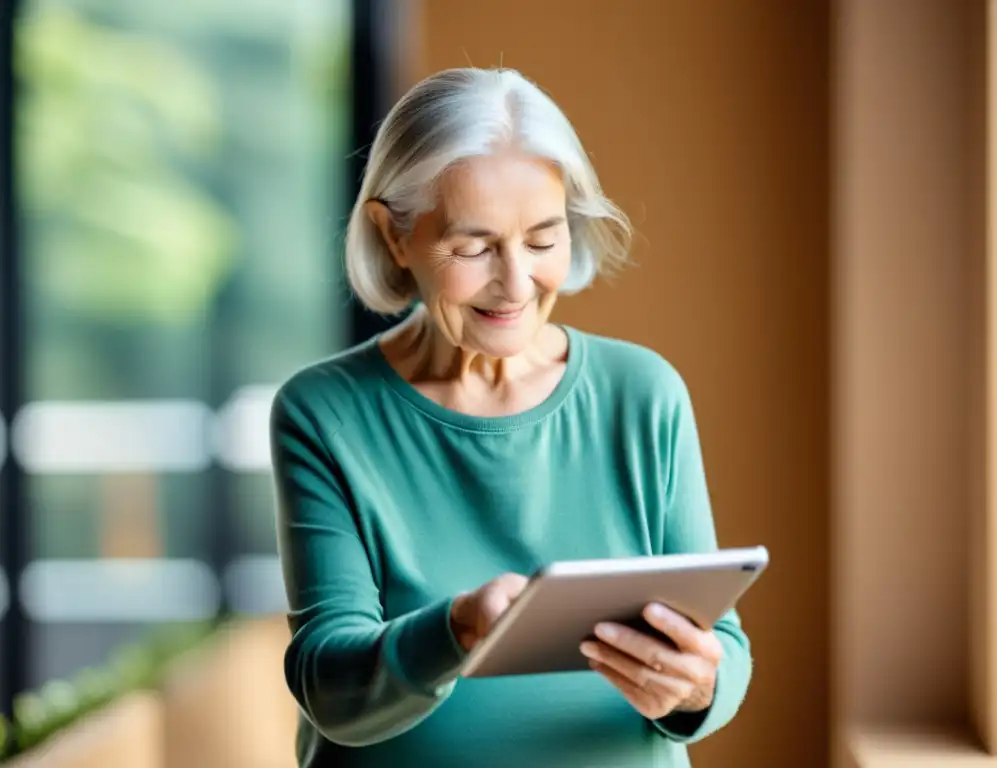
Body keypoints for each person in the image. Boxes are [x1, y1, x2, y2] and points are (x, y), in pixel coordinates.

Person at [270, 67, 753, 768]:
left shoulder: (642, 393)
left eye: (543, 238)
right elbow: (331, 689)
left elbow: (724, 649)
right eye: (474, 247)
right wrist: (457, 631)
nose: (518, 283)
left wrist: (697, 685)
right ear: (394, 234)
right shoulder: (325, 413)